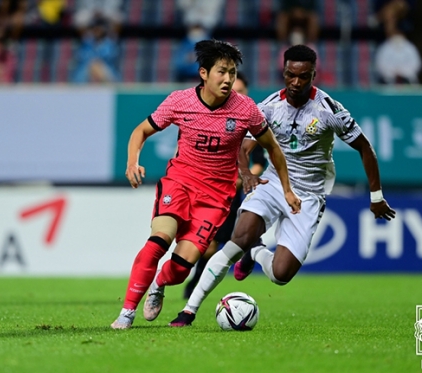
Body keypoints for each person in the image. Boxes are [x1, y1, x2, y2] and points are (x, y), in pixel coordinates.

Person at [169, 44, 396, 327]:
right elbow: (241, 145)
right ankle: (188, 311)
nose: (295, 83)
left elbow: (366, 149)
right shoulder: (268, 107)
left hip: (310, 195)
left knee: (280, 274)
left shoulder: (330, 110)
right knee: (238, 238)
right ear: (284, 72)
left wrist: (376, 196)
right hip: (274, 182)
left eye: (303, 77)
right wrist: (247, 173)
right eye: (290, 75)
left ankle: (256, 252)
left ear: (314, 75)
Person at [110, 39, 302, 329]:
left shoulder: (245, 109)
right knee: (157, 243)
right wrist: (131, 162)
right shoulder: (179, 101)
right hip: (180, 183)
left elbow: (273, 148)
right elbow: (142, 130)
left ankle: (160, 283)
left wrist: (287, 188)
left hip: (215, 198)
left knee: (179, 269)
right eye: (222, 72)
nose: (228, 79)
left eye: (232, 73)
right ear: (203, 73)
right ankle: (126, 313)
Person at [182, 72, 267, 299]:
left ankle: (196, 287)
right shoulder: (215, 120)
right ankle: (192, 283)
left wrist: (245, 177)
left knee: (223, 243)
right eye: (235, 91)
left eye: (242, 92)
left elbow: (260, 162)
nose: (238, 96)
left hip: (232, 195)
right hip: (208, 190)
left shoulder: (251, 125)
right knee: (207, 244)